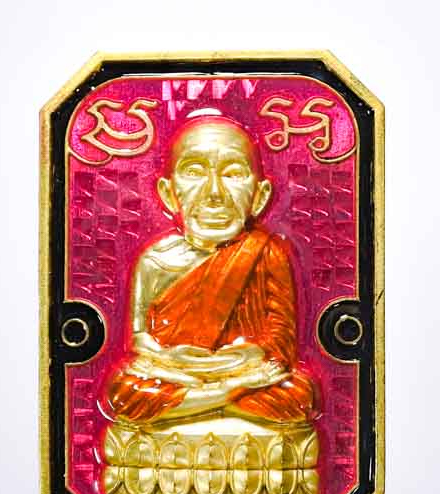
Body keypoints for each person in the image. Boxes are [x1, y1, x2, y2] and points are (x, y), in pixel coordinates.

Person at [101, 113, 316, 425]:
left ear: (260, 197)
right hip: (179, 372)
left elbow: (281, 341)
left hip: (239, 369)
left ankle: (200, 402)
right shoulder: (154, 260)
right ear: (168, 193)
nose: (214, 193)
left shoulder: (266, 253)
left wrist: (241, 358)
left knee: (298, 394)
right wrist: (168, 359)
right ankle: (226, 397)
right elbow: (139, 338)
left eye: (233, 173)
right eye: (194, 172)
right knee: (125, 391)